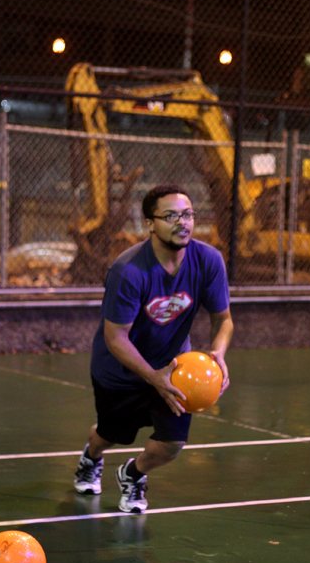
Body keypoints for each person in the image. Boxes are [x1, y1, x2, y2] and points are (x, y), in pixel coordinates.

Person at [74, 183, 233, 513]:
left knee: (172, 444)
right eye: (171, 215)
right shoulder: (128, 270)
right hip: (121, 371)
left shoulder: (209, 260)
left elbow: (224, 319)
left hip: (175, 370)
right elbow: (115, 337)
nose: (183, 222)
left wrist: (218, 353)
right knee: (111, 434)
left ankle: (133, 474)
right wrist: (151, 376)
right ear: (149, 223)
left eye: (188, 214)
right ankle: (92, 456)